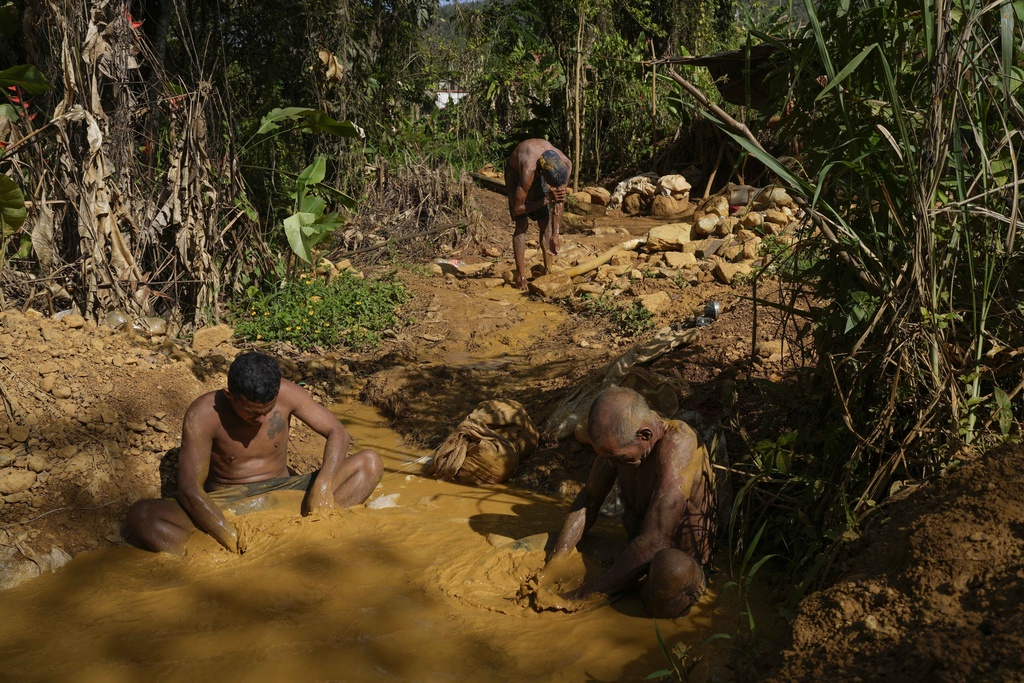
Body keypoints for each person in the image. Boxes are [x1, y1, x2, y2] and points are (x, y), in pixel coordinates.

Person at [126, 352, 383, 555]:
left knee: (369, 463)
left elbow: (338, 432)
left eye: (267, 411)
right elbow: (190, 489)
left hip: (289, 493)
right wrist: (232, 538)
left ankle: (315, 530)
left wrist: (323, 486)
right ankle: (217, 554)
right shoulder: (203, 413)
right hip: (230, 504)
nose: (260, 420)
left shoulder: (288, 392)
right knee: (143, 516)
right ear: (230, 396)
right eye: (252, 412)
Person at [545, 386, 717, 617]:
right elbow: (589, 500)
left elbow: (656, 540)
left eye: (616, 457)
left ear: (645, 435)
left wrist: (582, 595)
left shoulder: (678, 443)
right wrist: (557, 559)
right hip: (636, 553)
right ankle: (622, 586)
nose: (611, 465)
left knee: (671, 568)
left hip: (675, 570)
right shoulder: (621, 446)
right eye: (605, 456)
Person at [504, 139, 572, 290]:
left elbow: (559, 200)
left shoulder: (565, 165)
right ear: (541, 172)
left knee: (545, 222)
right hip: (515, 174)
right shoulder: (529, 170)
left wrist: (555, 234)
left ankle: (548, 271)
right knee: (522, 224)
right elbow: (518, 209)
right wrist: (546, 199)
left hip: (541, 171)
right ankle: (520, 278)